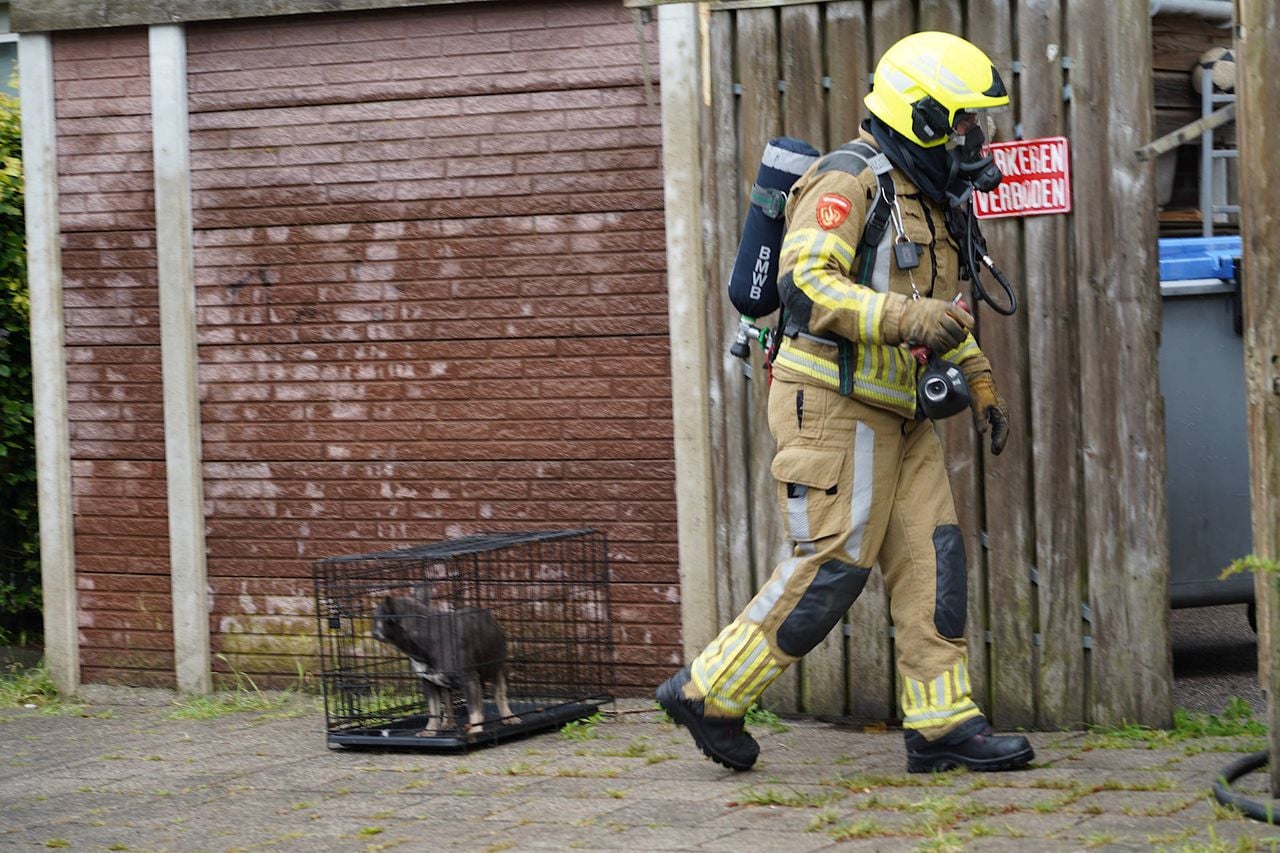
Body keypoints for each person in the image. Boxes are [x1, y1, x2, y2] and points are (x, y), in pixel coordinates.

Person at [657, 31, 1034, 774]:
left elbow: (935, 308)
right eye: (963, 124)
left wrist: (978, 374)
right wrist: (909, 321)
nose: (974, 140)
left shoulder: (931, 198)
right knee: (830, 564)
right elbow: (808, 283)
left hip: (901, 410)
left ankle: (942, 723)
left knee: (935, 561)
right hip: (829, 401)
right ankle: (710, 691)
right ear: (921, 118)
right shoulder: (849, 180)